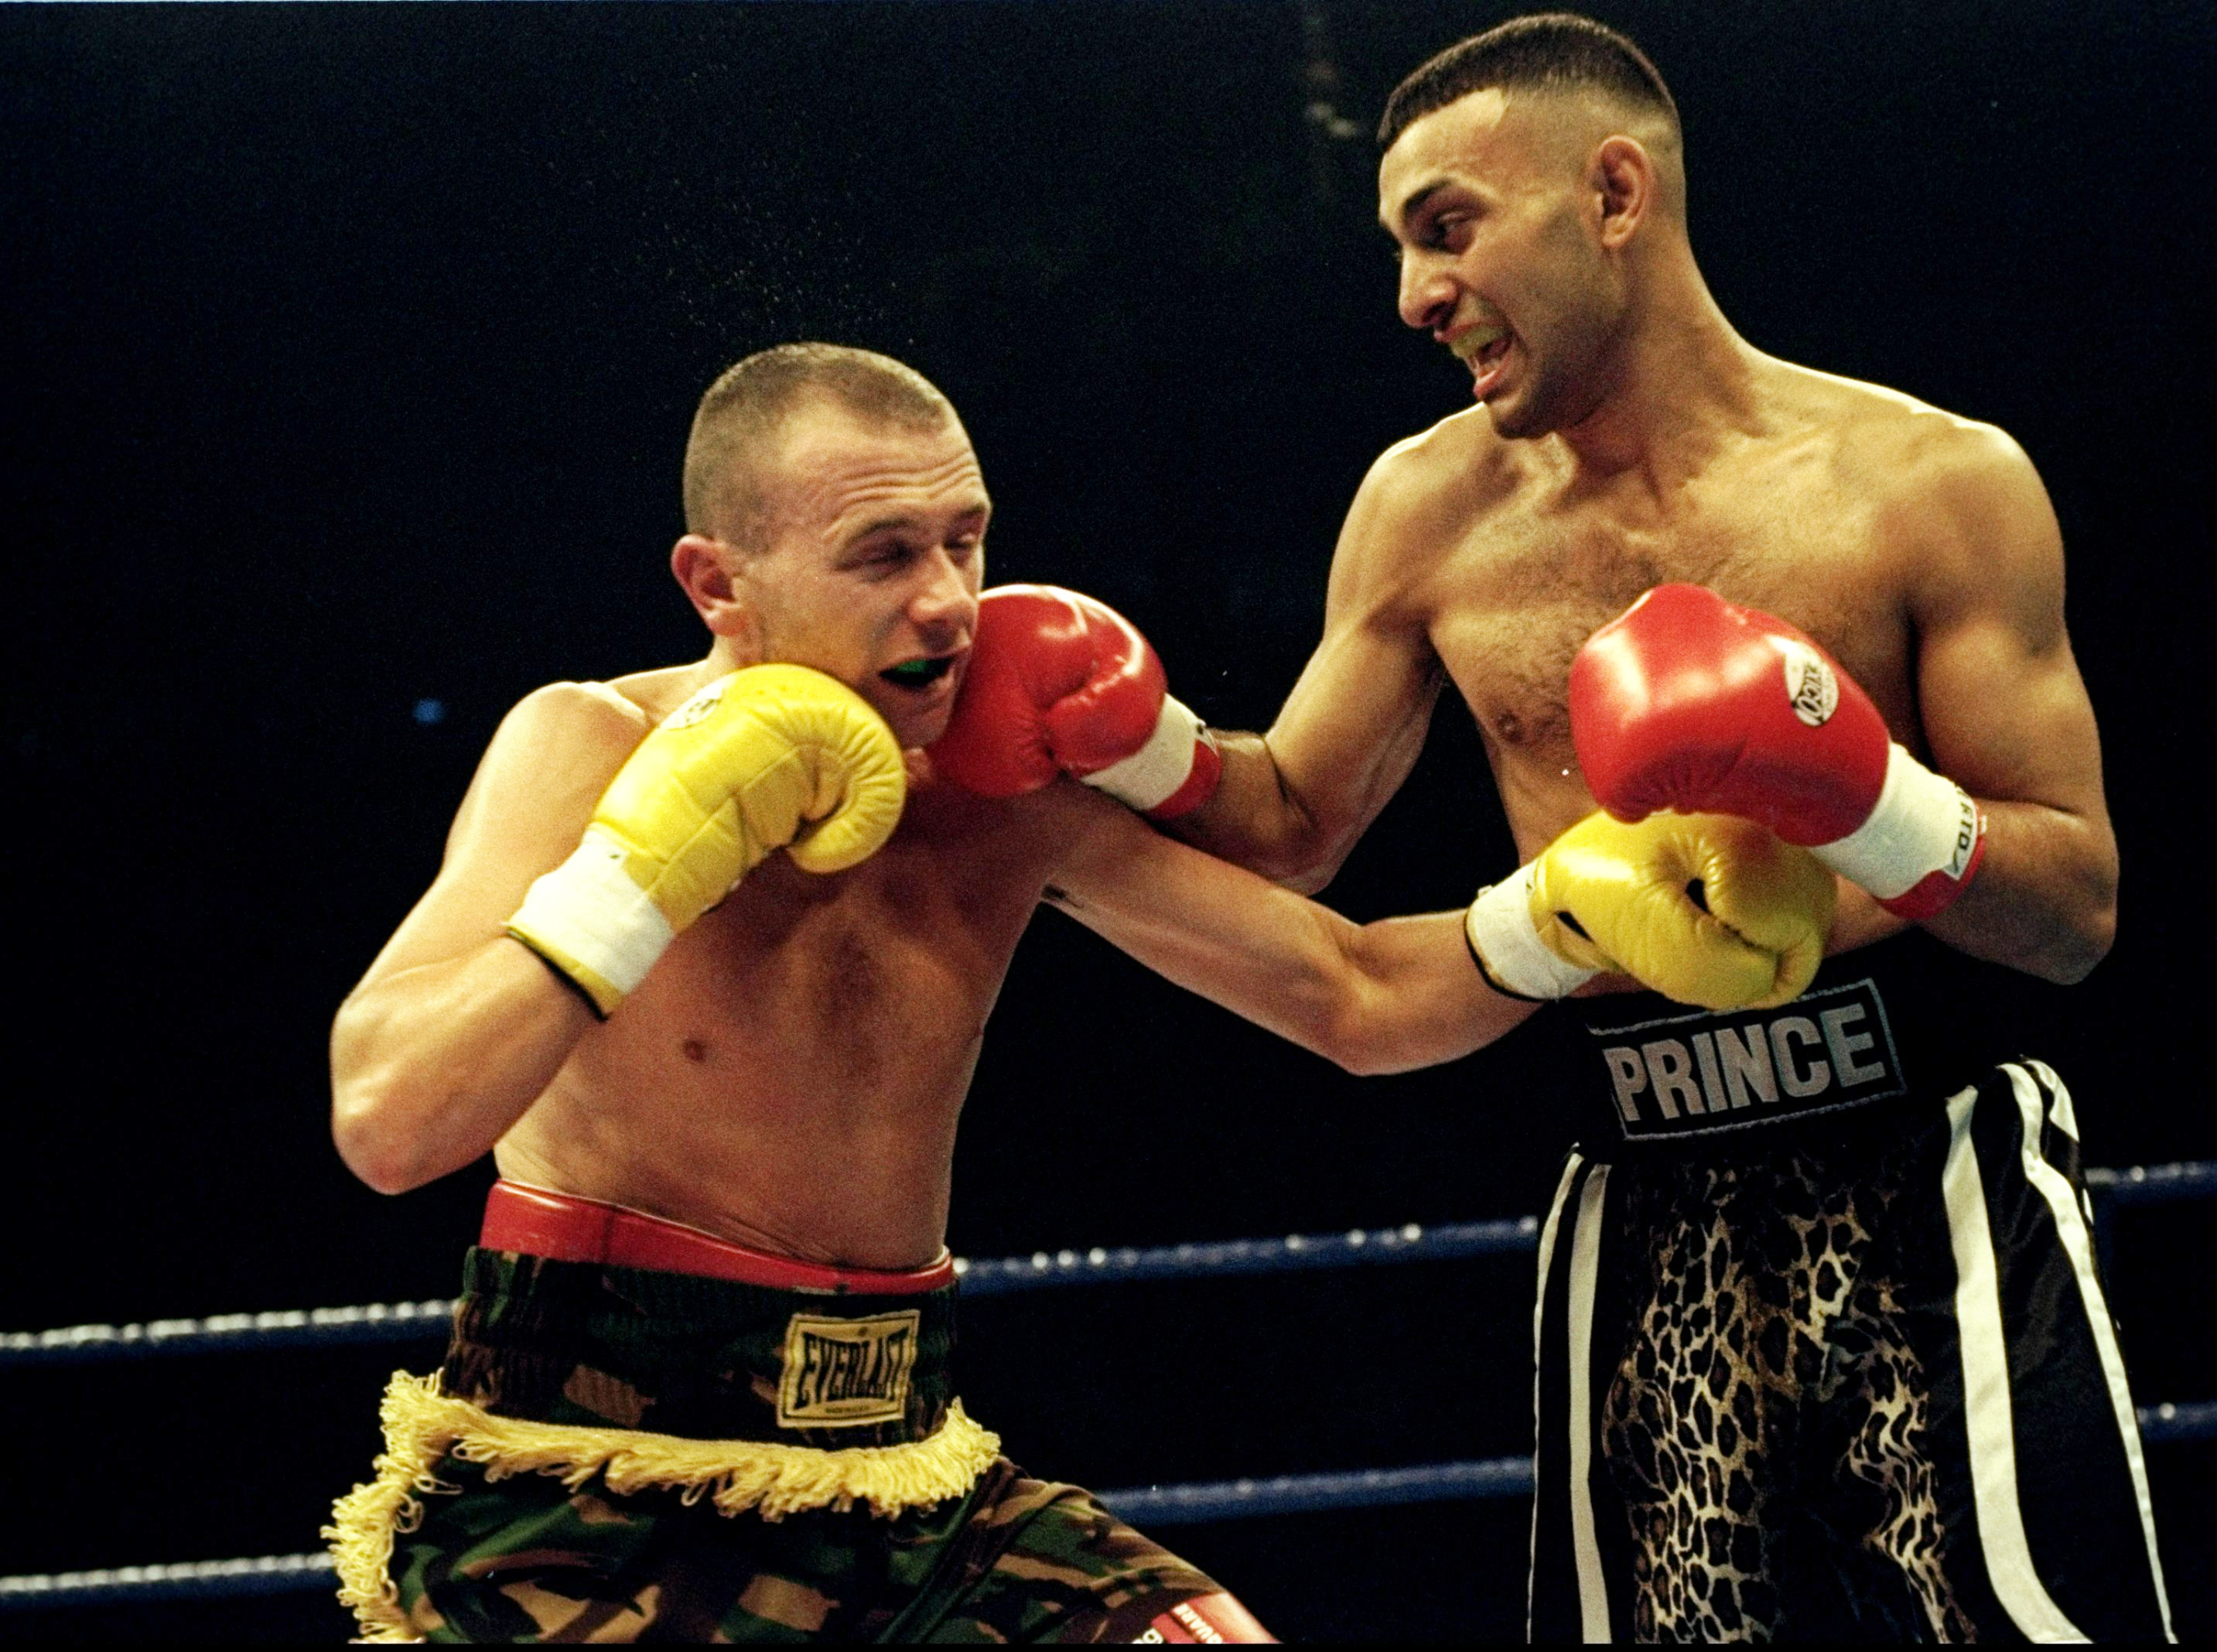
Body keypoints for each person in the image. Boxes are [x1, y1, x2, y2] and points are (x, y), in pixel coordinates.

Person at [322, 341, 1836, 1643]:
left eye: (965, 541)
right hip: (588, 1476)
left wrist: (1571, 916)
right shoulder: (585, 749)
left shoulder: (1004, 781)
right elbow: (391, 1117)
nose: (946, 602)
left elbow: (1353, 995)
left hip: (904, 1470)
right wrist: (640, 871)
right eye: (882, 554)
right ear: (719, 584)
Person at [1145, 15, 2171, 1642]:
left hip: (1935, 1160)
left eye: (1447, 225)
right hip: (1641, 1181)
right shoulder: (1426, 514)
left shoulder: (1931, 485)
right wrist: (1121, 743)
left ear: (1614, 192)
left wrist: (1854, 785)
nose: (1415, 295)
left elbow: (2076, 907)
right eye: (1404, 247)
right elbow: (1283, 828)